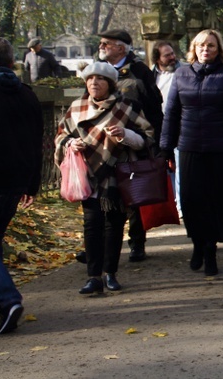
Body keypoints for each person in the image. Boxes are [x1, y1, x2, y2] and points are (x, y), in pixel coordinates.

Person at [55, 62, 153, 294]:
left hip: (118, 175)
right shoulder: (77, 107)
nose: (93, 83)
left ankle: (110, 273)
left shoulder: (127, 107)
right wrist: (71, 143)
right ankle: (93, 277)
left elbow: (147, 137)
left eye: (99, 79)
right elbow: (61, 136)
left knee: (114, 225)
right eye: (89, 79)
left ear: (110, 83)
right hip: (87, 174)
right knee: (91, 225)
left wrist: (126, 134)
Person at [160, 30, 223, 276]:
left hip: (220, 148)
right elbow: (172, 113)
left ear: (218, 48)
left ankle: (210, 249)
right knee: (190, 200)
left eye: (210, 45)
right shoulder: (181, 74)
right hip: (189, 147)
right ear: (193, 49)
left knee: (214, 201)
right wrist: (166, 146)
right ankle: (197, 243)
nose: (205, 50)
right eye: (200, 45)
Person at [0, 37, 42, 334]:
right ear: (14, 63)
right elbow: (36, 142)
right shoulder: (26, 95)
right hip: (14, 182)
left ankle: (7, 298)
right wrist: (32, 183)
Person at [97, 29, 163, 262]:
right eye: (101, 43)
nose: (102, 46)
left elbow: (154, 107)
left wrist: (155, 142)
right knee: (103, 194)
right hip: (103, 145)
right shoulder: (99, 70)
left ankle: (137, 242)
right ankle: (99, 245)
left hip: (133, 142)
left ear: (121, 48)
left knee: (134, 193)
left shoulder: (138, 71)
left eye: (107, 43)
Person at [151, 42, 182, 217]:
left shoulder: (182, 71)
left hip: (178, 126)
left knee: (179, 165)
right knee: (165, 166)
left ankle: (181, 205)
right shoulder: (151, 75)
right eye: (167, 55)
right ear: (157, 59)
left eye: (172, 53)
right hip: (159, 127)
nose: (172, 57)